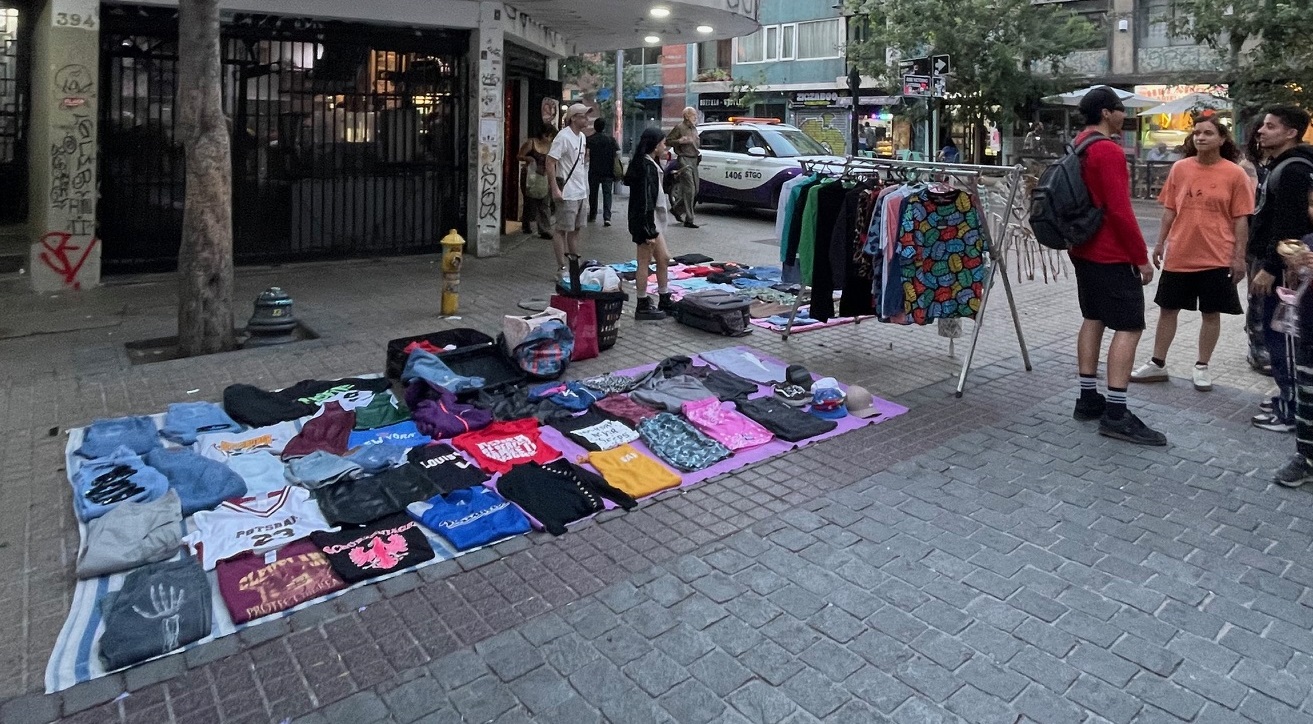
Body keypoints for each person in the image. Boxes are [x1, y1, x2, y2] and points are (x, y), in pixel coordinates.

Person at [1067, 87, 1166, 446]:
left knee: (1093, 317)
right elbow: (1120, 211)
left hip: (1082, 248)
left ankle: (1087, 398)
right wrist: (1140, 258)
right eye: (1121, 109)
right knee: (1129, 326)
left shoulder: (1079, 144)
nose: (1125, 115)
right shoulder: (1107, 150)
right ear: (1107, 113)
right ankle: (1116, 413)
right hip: (1110, 253)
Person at [1130, 113, 1254, 392]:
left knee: (1211, 313)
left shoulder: (1235, 174)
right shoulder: (1180, 168)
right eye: (1197, 132)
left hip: (1217, 256)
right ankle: (1157, 363)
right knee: (1167, 309)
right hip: (1180, 254)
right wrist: (1159, 244)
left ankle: (1202, 366)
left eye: (1208, 133)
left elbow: (1241, 219)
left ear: (1221, 139)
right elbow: (1169, 210)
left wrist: (1239, 257)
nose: (1200, 137)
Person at [1249, 106, 1313, 434]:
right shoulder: (1283, 165)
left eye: (1270, 126)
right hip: (1284, 266)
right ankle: (1288, 398)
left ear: (1290, 133)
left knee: (1284, 338)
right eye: (1263, 125)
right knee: (1279, 335)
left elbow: (1290, 225)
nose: (1261, 131)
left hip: (1287, 270)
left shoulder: (1293, 169)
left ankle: (1290, 410)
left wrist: (1270, 268)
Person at [1275, 231, 1313, 486]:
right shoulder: (1308, 241)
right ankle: (1306, 457)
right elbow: (1298, 283)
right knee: (1306, 399)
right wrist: (1295, 269)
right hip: (1308, 332)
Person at [624, 127, 673, 321]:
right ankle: (642, 303)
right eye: (663, 143)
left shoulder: (650, 164)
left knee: (664, 258)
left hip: (651, 222)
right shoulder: (645, 166)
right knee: (644, 262)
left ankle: (664, 297)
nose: (665, 147)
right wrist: (648, 231)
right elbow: (645, 201)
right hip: (646, 223)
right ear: (655, 145)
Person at [546, 103, 592, 275]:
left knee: (576, 229)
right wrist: (555, 188)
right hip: (568, 192)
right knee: (561, 229)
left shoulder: (582, 137)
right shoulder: (563, 137)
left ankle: (574, 264)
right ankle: (562, 267)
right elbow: (550, 161)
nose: (586, 119)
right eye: (583, 116)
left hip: (581, 190)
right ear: (573, 118)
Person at [1242, 118, 1271, 373]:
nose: (1263, 135)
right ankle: (1257, 345)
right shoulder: (1250, 166)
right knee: (1258, 293)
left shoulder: (1286, 164)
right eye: (1260, 132)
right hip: (1256, 237)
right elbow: (1251, 201)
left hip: (1281, 238)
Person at [665, 107, 701, 229]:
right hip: (684, 159)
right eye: (693, 115)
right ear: (686, 116)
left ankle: (676, 209)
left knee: (695, 190)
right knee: (690, 189)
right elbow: (668, 141)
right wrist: (680, 141)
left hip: (694, 159)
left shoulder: (694, 128)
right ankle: (689, 219)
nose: (695, 117)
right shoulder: (680, 128)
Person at [517, 125, 555, 240]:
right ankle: (526, 224)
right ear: (543, 134)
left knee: (544, 203)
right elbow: (519, 156)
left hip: (544, 175)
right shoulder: (531, 143)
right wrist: (528, 158)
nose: (549, 139)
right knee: (529, 201)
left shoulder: (550, 146)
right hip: (530, 175)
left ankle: (544, 229)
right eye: (548, 136)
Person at [586, 118, 619, 227]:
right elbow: (616, 154)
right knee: (607, 194)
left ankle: (592, 214)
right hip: (608, 171)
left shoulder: (590, 139)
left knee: (593, 194)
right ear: (604, 127)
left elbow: (586, 154)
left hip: (594, 170)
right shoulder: (611, 140)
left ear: (595, 127)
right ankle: (607, 217)